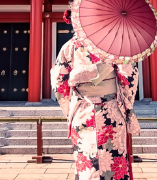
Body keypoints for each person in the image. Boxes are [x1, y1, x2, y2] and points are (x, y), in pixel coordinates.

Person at [50, 10, 140, 180]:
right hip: (111, 112)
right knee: (114, 163)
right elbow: (129, 78)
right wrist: (126, 104)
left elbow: (59, 83)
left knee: (87, 165)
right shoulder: (115, 46)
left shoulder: (69, 46)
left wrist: (70, 110)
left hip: (82, 111)